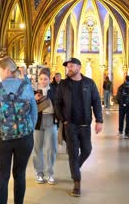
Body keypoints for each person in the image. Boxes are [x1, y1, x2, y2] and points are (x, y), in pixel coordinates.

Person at [0, 56, 37, 204]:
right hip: (25, 138)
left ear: (6, 70)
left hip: (2, 138)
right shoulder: (26, 86)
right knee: (20, 174)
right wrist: (30, 128)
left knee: (2, 176)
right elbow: (34, 111)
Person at [54, 57, 103, 197]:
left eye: (71, 66)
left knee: (87, 150)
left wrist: (99, 120)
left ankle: (75, 168)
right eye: (67, 67)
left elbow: (96, 102)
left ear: (78, 67)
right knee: (73, 154)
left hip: (85, 125)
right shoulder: (63, 84)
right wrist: (62, 119)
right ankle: (77, 182)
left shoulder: (89, 83)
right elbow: (57, 102)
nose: (68, 69)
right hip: (70, 126)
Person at [33, 67, 58, 185]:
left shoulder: (54, 91)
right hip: (37, 121)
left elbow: (59, 106)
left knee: (51, 148)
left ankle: (50, 173)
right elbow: (27, 107)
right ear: (38, 79)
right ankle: (39, 173)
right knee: (38, 148)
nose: (43, 81)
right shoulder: (33, 92)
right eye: (41, 79)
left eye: (46, 79)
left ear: (49, 79)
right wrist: (34, 99)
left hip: (50, 120)